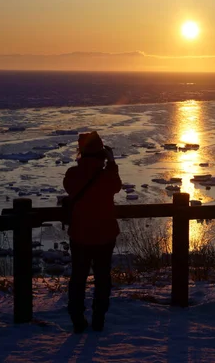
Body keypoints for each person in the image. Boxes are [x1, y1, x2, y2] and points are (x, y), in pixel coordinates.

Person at [63, 131, 122, 333]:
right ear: (102, 153)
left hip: (80, 235)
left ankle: (77, 319)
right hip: (105, 235)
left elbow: (70, 188)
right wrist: (112, 163)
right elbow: (116, 186)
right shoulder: (107, 176)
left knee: (78, 277)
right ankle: (99, 318)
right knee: (103, 277)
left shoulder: (72, 175)